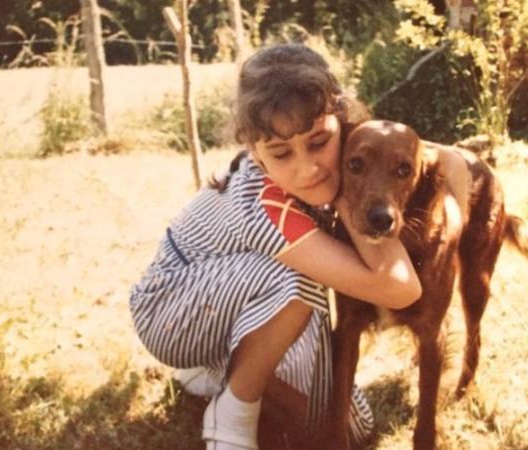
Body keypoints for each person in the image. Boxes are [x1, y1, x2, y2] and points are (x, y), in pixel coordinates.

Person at [128, 43, 421, 450]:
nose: (307, 167)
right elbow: (400, 287)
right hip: (169, 311)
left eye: (319, 142)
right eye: (282, 153)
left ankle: (214, 370)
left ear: (344, 121)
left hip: (238, 300)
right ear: (256, 155)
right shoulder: (263, 206)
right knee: (293, 275)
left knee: (352, 426)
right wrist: (341, 196)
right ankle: (230, 417)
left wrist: (354, 178)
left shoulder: (351, 160)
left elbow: (430, 158)